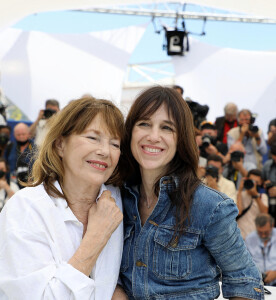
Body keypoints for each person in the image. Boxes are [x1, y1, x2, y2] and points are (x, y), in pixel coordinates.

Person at [115, 86, 264, 299]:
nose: (153, 136)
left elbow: (246, 283)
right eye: (144, 124)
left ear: (181, 138)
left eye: (167, 128)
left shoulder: (210, 206)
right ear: (130, 132)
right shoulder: (117, 198)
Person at [0, 97, 125, 299]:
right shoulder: (26, 208)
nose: (105, 151)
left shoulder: (118, 202)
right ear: (60, 145)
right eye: (92, 138)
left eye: (115, 143)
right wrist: (96, 237)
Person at [237, 169, 268, 239]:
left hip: (255, 237)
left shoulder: (262, 196)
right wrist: (239, 190)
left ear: (260, 183)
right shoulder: (239, 194)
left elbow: (265, 213)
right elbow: (238, 212)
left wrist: (256, 195)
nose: (253, 184)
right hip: (240, 237)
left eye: (256, 182)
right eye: (251, 181)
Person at [245, 213, 276, 286]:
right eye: (260, 232)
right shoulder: (249, 239)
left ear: (272, 226)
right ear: (256, 227)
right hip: (257, 282)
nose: (263, 235)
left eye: (266, 232)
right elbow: (246, 262)